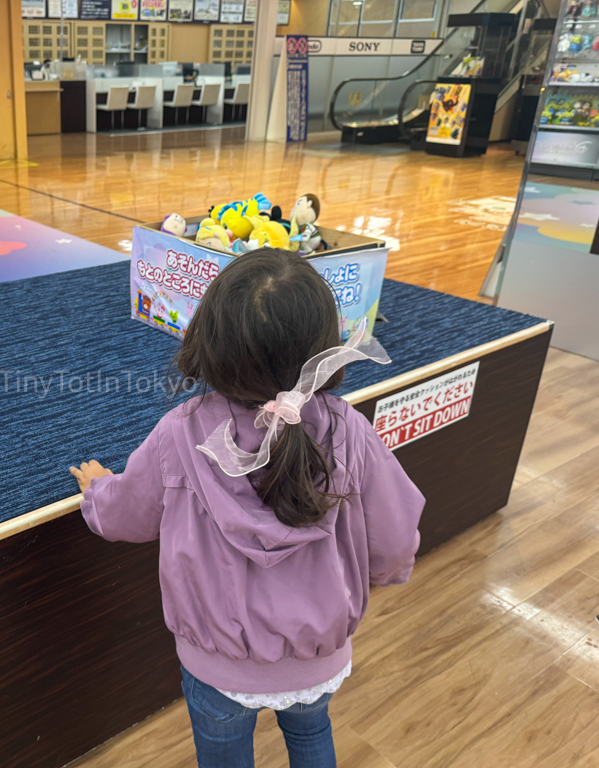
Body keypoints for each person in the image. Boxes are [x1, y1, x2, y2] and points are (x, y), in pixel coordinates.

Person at [70, 250, 424, 768]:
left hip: (218, 665)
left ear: (208, 339)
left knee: (223, 755)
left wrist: (97, 492)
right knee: (311, 734)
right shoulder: (349, 428)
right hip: (319, 656)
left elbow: (126, 517)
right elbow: (394, 539)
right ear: (325, 343)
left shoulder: (181, 431)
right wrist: (382, 576)